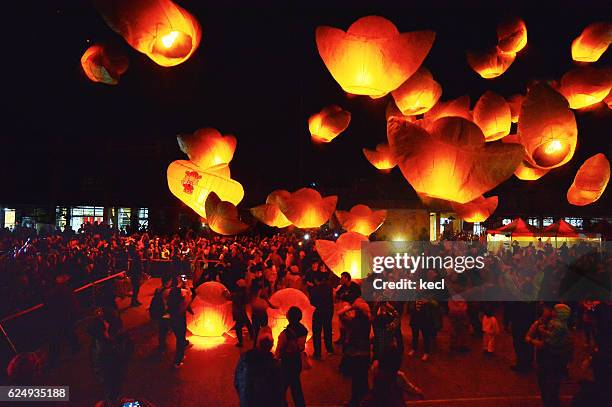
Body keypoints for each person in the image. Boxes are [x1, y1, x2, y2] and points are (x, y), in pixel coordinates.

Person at [532, 304, 573, 407]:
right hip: (558, 359)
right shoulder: (561, 325)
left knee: (547, 382)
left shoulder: (557, 326)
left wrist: (535, 339)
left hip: (551, 358)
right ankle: (552, 400)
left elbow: (550, 341)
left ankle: (550, 402)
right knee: (554, 382)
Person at [234, 326, 283, 407]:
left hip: (247, 401)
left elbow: (237, 381)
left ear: (258, 343)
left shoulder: (245, 358)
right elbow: (277, 391)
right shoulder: (273, 365)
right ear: (271, 346)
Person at [339, 297, 371, 407]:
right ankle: (364, 401)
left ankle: (354, 402)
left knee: (356, 381)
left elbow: (340, 314)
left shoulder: (353, 322)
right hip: (365, 354)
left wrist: (351, 307)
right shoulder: (368, 321)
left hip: (355, 353)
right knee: (363, 379)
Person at [276, 306, 308, 407]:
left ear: (289, 317)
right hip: (297, 360)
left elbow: (280, 349)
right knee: (295, 384)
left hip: (287, 361)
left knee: (282, 386)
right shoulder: (304, 330)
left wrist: (276, 358)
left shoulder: (285, 333)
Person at [165, 277, 193, 368]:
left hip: (173, 318)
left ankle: (179, 357)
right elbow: (187, 299)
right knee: (180, 339)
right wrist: (187, 289)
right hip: (179, 320)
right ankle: (177, 360)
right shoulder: (180, 295)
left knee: (179, 338)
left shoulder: (169, 294)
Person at [310, 272, 334, 360]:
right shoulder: (329, 287)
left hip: (319, 312)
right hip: (328, 312)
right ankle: (329, 349)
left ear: (316, 280)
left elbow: (312, 302)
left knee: (317, 333)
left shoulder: (315, 289)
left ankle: (317, 353)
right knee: (328, 330)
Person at [231, 279, 253, 347]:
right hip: (242, 311)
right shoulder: (245, 293)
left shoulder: (238, 294)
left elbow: (232, 298)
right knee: (247, 322)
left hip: (239, 312)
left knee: (238, 327)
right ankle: (252, 335)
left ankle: (240, 342)